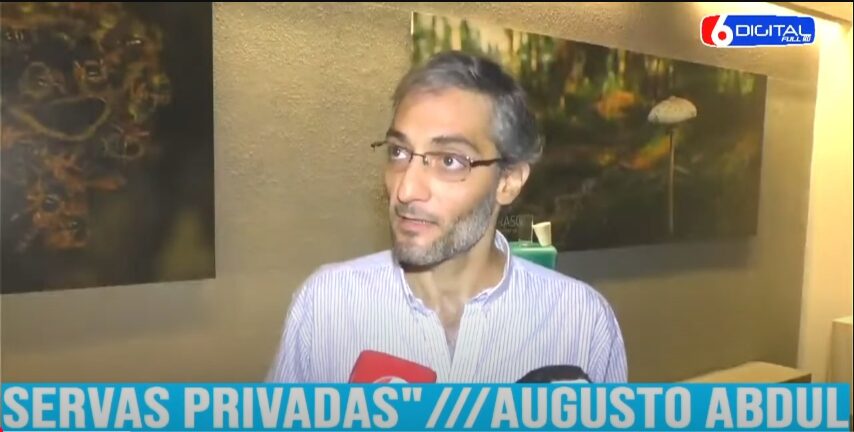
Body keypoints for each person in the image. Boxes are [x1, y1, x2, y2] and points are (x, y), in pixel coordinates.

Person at [267, 51, 627, 383]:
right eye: (398, 152)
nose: (406, 189)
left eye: (450, 160)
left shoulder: (581, 323)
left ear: (508, 181)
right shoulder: (325, 307)